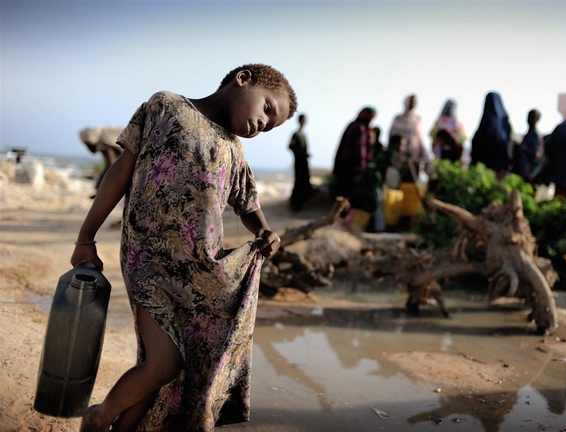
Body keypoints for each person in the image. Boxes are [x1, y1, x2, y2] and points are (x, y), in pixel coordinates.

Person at [74, 63, 297, 431]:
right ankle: (98, 417)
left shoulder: (233, 148)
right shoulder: (165, 107)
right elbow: (119, 174)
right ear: (243, 80)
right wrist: (86, 237)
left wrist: (266, 231)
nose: (263, 125)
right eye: (268, 109)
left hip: (203, 276)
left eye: (270, 128)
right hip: (149, 264)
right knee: (164, 364)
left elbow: (248, 204)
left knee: (168, 367)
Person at [349, 135, 406, 232]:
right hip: (374, 181)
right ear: (396, 144)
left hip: (371, 179)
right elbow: (386, 170)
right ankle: (379, 228)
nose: (403, 147)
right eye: (402, 144)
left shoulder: (386, 152)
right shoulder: (390, 154)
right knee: (377, 203)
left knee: (373, 203)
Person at [389, 94, 429, 230]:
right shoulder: (397, 119)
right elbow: (392, 138)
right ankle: (393, 220)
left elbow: (420, 141)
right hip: (397, 161)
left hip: (413, 162)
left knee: (411, 192)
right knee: (394, 191)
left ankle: (408, 222)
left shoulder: (417, 121)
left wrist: (424, 160)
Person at [330, 107, 377, 199]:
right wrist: (361, 170)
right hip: (350, 170)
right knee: (347, 198)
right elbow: (359, 152)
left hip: (343, 167)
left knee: (341, 195)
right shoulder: (360, 128)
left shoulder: (353, 125)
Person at [470, 92, 517, 180]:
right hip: (502, 169)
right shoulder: (505, 124)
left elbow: (475, 145)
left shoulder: (485, 123)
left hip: (484, 172)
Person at [288, 113, 314, 211]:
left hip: (304, 162)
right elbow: (290, 147)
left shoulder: (303, 135)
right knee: (298, 182)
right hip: (299, 163)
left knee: (304, 182)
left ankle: (302, 203)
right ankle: (295, 204)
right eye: (302, 120)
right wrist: (300, 154)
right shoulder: (296, 135)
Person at [513, 109, 545, 183]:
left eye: (533, 117)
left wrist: (522, 149)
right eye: (529, 117)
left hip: (530, 174)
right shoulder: (528, 135)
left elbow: (537, 155)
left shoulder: (536, 136)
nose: (530, 120)